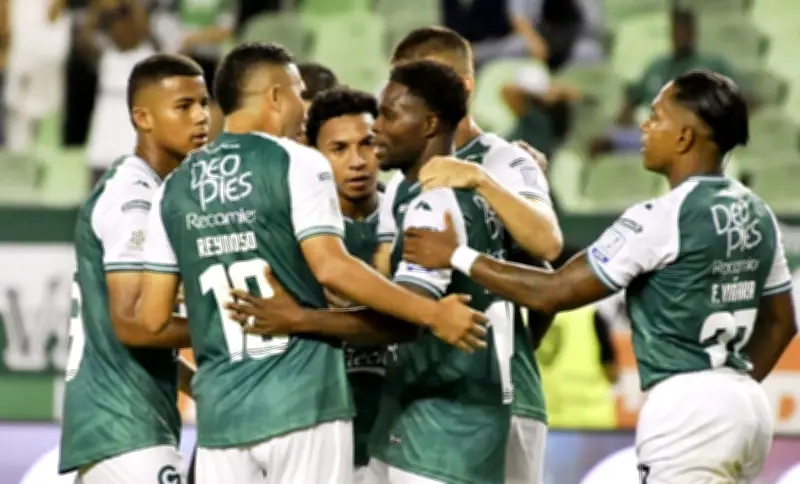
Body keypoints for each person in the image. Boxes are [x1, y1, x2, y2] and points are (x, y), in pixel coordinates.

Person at [402, 70, 798, 483]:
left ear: (684, 136)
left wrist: (457, 254)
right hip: (747, 407)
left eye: (656, 117)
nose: (643, 126)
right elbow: (781, 324)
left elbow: (554, 292)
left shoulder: (662, 217)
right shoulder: (757, 213)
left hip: (687, 407)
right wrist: (729, 390)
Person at [135, 42, 487, 484]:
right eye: (299, 92)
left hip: (222, 416)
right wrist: (432, 313)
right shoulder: (297, 161)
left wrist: (214, 318)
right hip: (303, 402)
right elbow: (332, 267)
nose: (305, 106)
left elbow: (152, 319)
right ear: (275, 95)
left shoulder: (172, 188)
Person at [385, 26, 558, 484]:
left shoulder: (505, 160)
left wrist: (480, 179)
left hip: (508, 395)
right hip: (428, 400)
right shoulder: (398, 185)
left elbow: (547, 244)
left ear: (462, 87)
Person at [59, 54, 210, 484]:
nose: (201, 116)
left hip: (123, 424)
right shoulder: (133, 198)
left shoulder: (153, 190)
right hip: (125, 426)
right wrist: (228, 326)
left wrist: (199, 385)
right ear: (142, 118)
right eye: (183, 106)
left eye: (204, 102)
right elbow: (135, 325)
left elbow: (138, 333)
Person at [365, 59, 513, 484]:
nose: (376, 127)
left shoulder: (433, 205)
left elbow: (404, 318)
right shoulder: (478, 198)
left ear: (429, 124)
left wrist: (301, 321)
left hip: (438, 431)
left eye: (389, 115)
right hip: (473, 417)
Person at [588, 8, 743, 159]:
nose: (682, 36)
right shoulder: (657, 67)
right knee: (602, 142)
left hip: (694, 132)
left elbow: (741, 98)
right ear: (672, 33)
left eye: (686, 30)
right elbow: (632, 99)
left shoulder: (712, 66)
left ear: (693, 32)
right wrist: (623, 119)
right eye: (678, 30)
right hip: (656, 131)